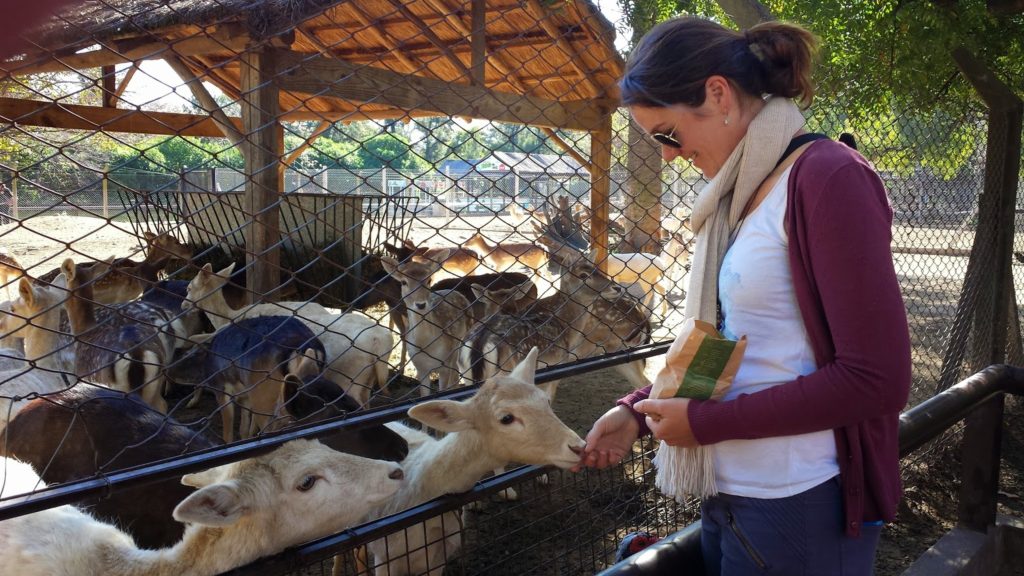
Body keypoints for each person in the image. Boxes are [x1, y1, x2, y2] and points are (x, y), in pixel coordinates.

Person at [573, 16, 911, 575]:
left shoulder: (826, 176)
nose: (667, 155)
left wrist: (703, 425)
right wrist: (638, 410)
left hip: (799, 497)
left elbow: (876, 380)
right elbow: (730, 340)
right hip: (729, 488)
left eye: (666, 133)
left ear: (718, 94)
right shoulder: (741, 194)